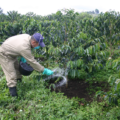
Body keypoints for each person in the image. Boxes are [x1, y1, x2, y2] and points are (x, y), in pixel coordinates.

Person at [0, 33, 53, 97]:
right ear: (33, 42)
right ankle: (13, 96)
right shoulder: (24, 48)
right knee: (11, 74)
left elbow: (28, 49)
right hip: (4, 54)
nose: (39, 46)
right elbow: (32, 62)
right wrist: (43, 70)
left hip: (11, 53)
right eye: (38, 44)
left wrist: (23, 55)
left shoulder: (28, 37)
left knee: (17, 69)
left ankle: (19, 84)